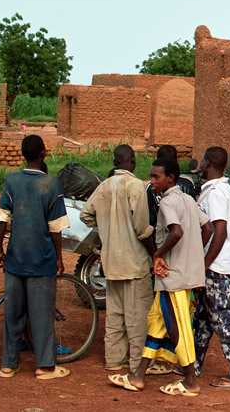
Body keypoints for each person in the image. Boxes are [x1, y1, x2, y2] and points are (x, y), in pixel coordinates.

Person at [108, 158, 210, 396]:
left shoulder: (167, 203)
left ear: (170, 179)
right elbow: (207, 229)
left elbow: (176, 232)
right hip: (181, 276)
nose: (152, 181)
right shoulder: (188, 199)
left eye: (156, 177)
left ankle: (190, 381)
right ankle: (138, 376)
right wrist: (192, 256)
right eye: (151, 176)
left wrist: (158, 255)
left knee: (179, 328)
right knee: (157, 321)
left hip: (174, 278)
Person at [0, 135, 70, 380]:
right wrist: (58, 256)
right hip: (42, 258)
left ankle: (8, 364)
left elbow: (1, 218)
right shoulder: (51, 183)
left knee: (13, 314)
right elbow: (56, 227)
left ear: (22, 154)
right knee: (42, 314)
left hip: (16, 258)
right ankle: (45, 366)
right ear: (43, 153)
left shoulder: (12, 181)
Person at [81, 144, 155, 374]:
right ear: (131, 161)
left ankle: (113, 360)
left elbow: (86, 214)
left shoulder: (103, 187)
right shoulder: (136, 186)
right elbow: (142, 228)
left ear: (115, 161)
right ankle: (135, 364)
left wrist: (105, 228)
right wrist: (155, 252)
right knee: (136, 317)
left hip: (111, 262)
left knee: (115, 315)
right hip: (134, 262)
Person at [193, 146, 230, 388]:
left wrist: (205, 264)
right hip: (218, 263)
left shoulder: (217, 193)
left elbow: (219, 231)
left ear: (208, 163)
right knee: (204, 318)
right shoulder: (223, 189)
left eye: (203, 161)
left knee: (223, 319)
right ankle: (192, 365)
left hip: (215, 265)